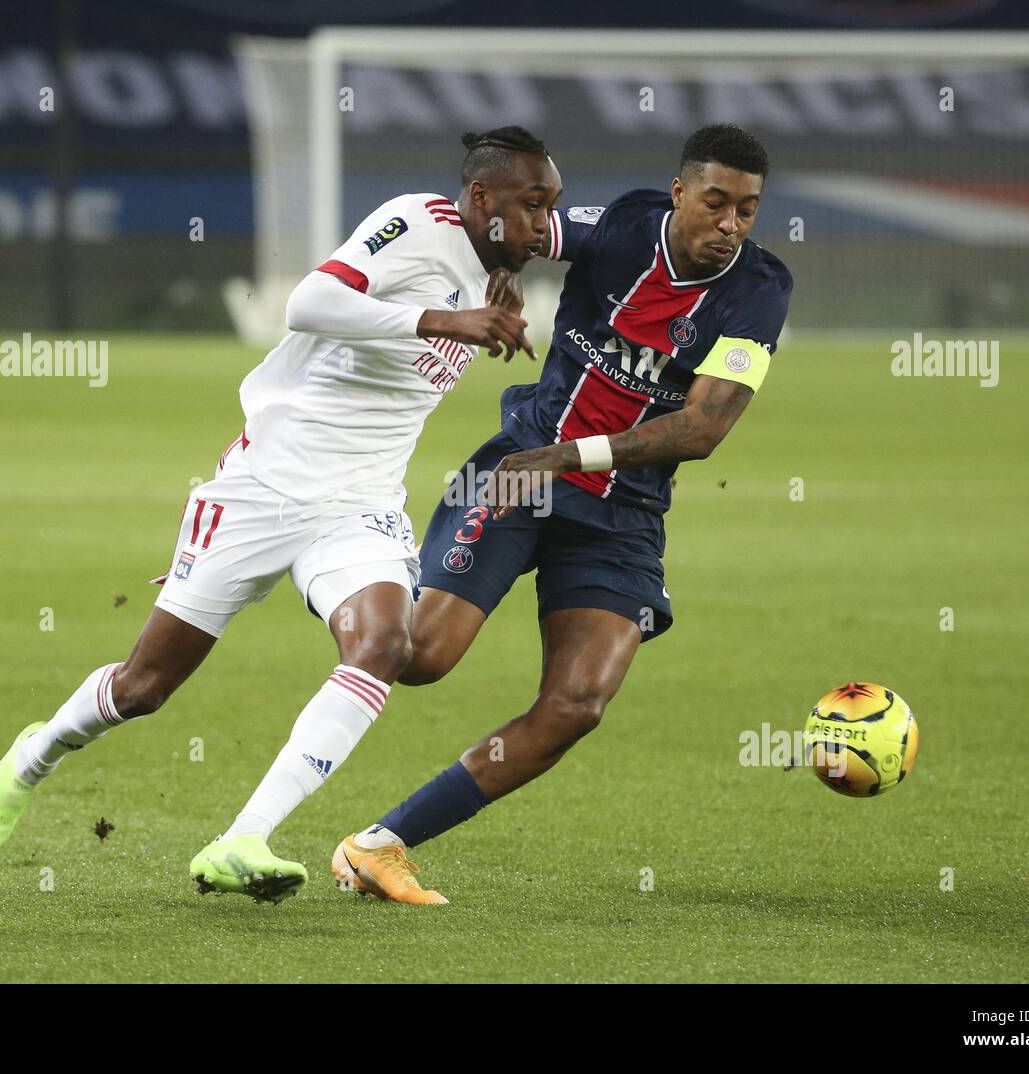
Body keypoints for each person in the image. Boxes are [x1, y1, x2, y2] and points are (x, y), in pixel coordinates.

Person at [0, 127, 561, 904]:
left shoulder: (494, 277)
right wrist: (439, 322)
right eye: (532, 204)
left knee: (382, 642)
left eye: (552, 206)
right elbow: (306, 303)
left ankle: (244, 837)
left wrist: (481, 303)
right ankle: (35, 754)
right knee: (145, 687)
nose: (545, 223)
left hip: (360, 503)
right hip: (262, 486)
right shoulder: (418, 223)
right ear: (481, 199)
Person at [331, 124, 793, 905]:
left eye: (747, 210)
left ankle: (379, 846)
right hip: (522, 471)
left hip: (622, 508)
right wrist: (496, 274)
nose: (731, 225)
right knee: (422, 658)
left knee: (577, 704)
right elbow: (507, 224)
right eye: (716, 203)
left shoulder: (759, 290)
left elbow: (704, 428)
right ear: (680, 193)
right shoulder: (617, 227)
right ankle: (328, 559)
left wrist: (573, 458)